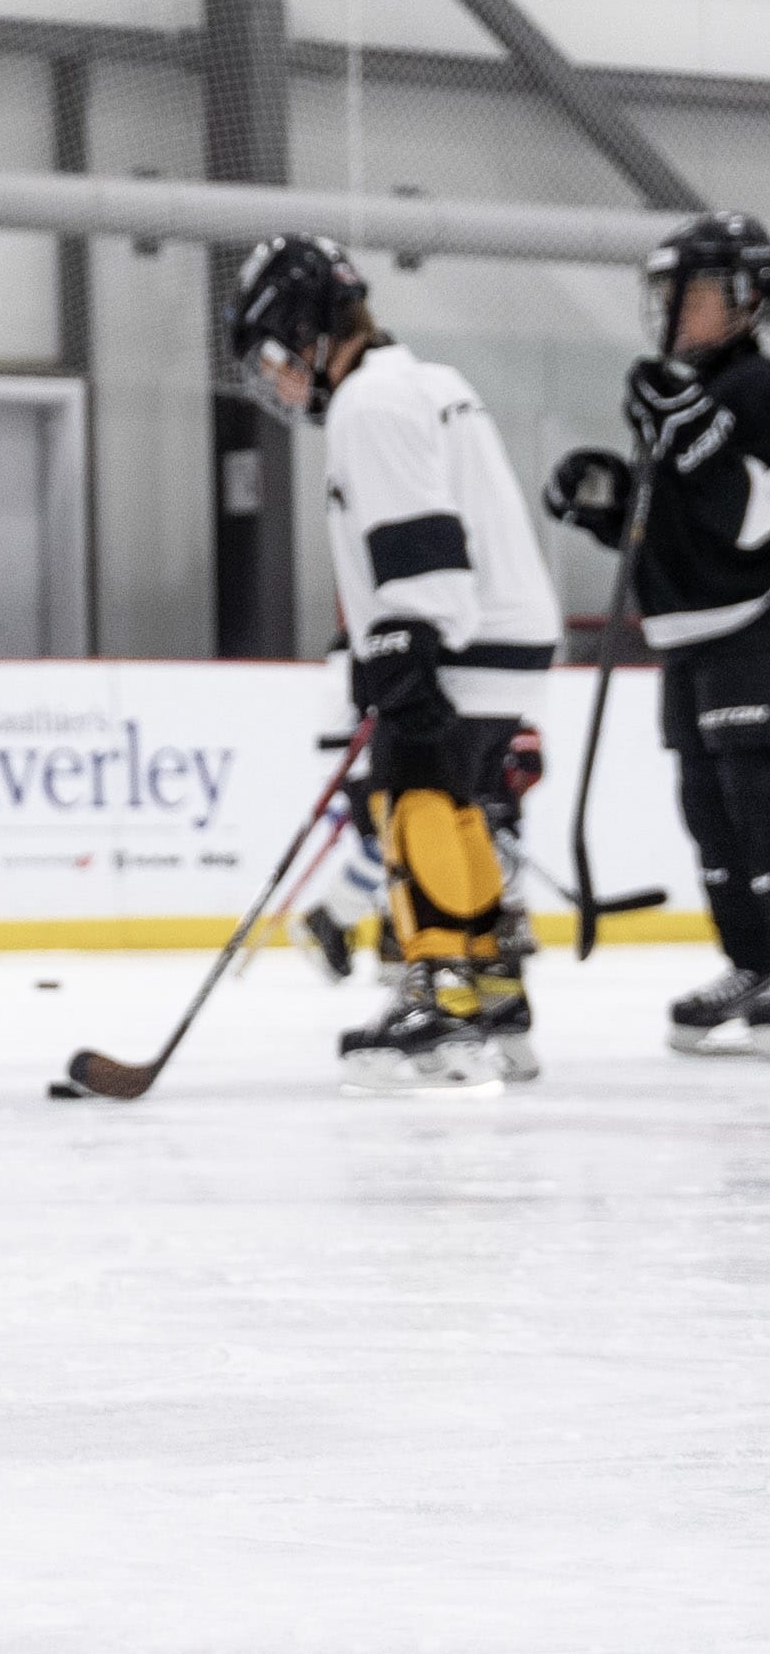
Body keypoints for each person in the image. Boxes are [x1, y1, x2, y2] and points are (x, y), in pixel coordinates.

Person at [227, 236, 558, 1092]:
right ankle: (493, 997)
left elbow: (418, 532)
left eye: (273, 354)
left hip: (452, 629)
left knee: (413, 798)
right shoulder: (426, 380)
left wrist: (402, 640)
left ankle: (440, 997)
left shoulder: (369, 402)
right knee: (459, 808)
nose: (276, 378)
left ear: (304, 328)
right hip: (500, 627)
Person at [542, 210, 770, 1058]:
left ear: (747, 297)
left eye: (693, 291)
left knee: (759, 817)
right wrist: (603, 503)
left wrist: (695, 437)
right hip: (685, 640)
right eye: (663, 291)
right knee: (710, 820)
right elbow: (672, 524)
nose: (671, 307)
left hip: (754, 633)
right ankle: (752, 961)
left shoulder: (753, 390)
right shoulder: (691, 395)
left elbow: (754, 519)